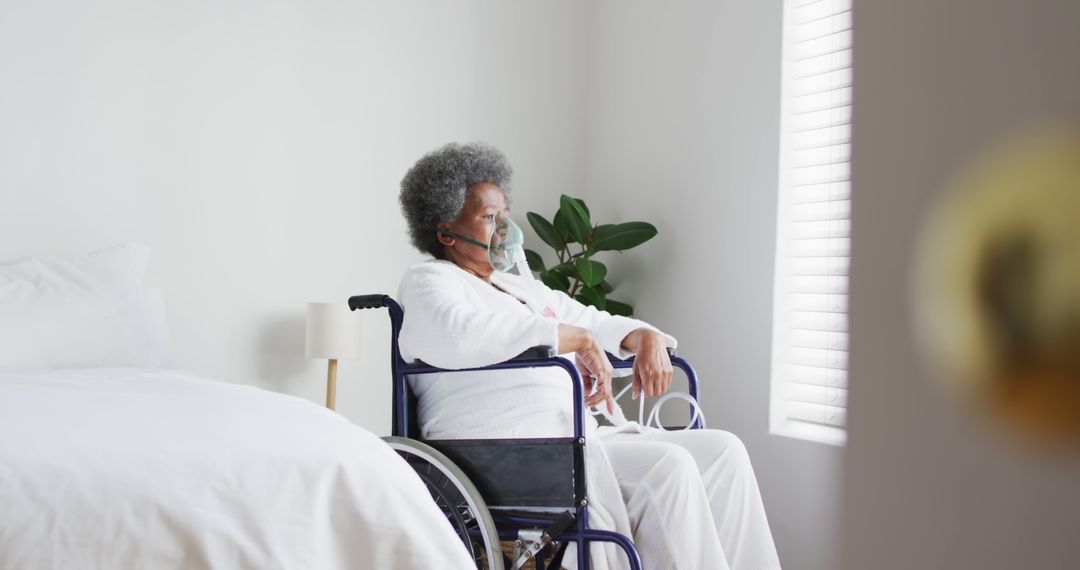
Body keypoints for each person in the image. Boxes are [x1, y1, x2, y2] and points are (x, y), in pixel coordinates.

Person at [397, 141, 781, 570]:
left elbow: (585, 317)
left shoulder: (518, 287)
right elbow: (459, 334)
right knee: (667, 469)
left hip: (571, 439)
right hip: (506, 449)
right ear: (446, 231)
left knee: (724, 451)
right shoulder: (429, 282)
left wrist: (643, 336)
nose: (504, 228)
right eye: (489, 218)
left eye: (504, 214)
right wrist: (572, 339)